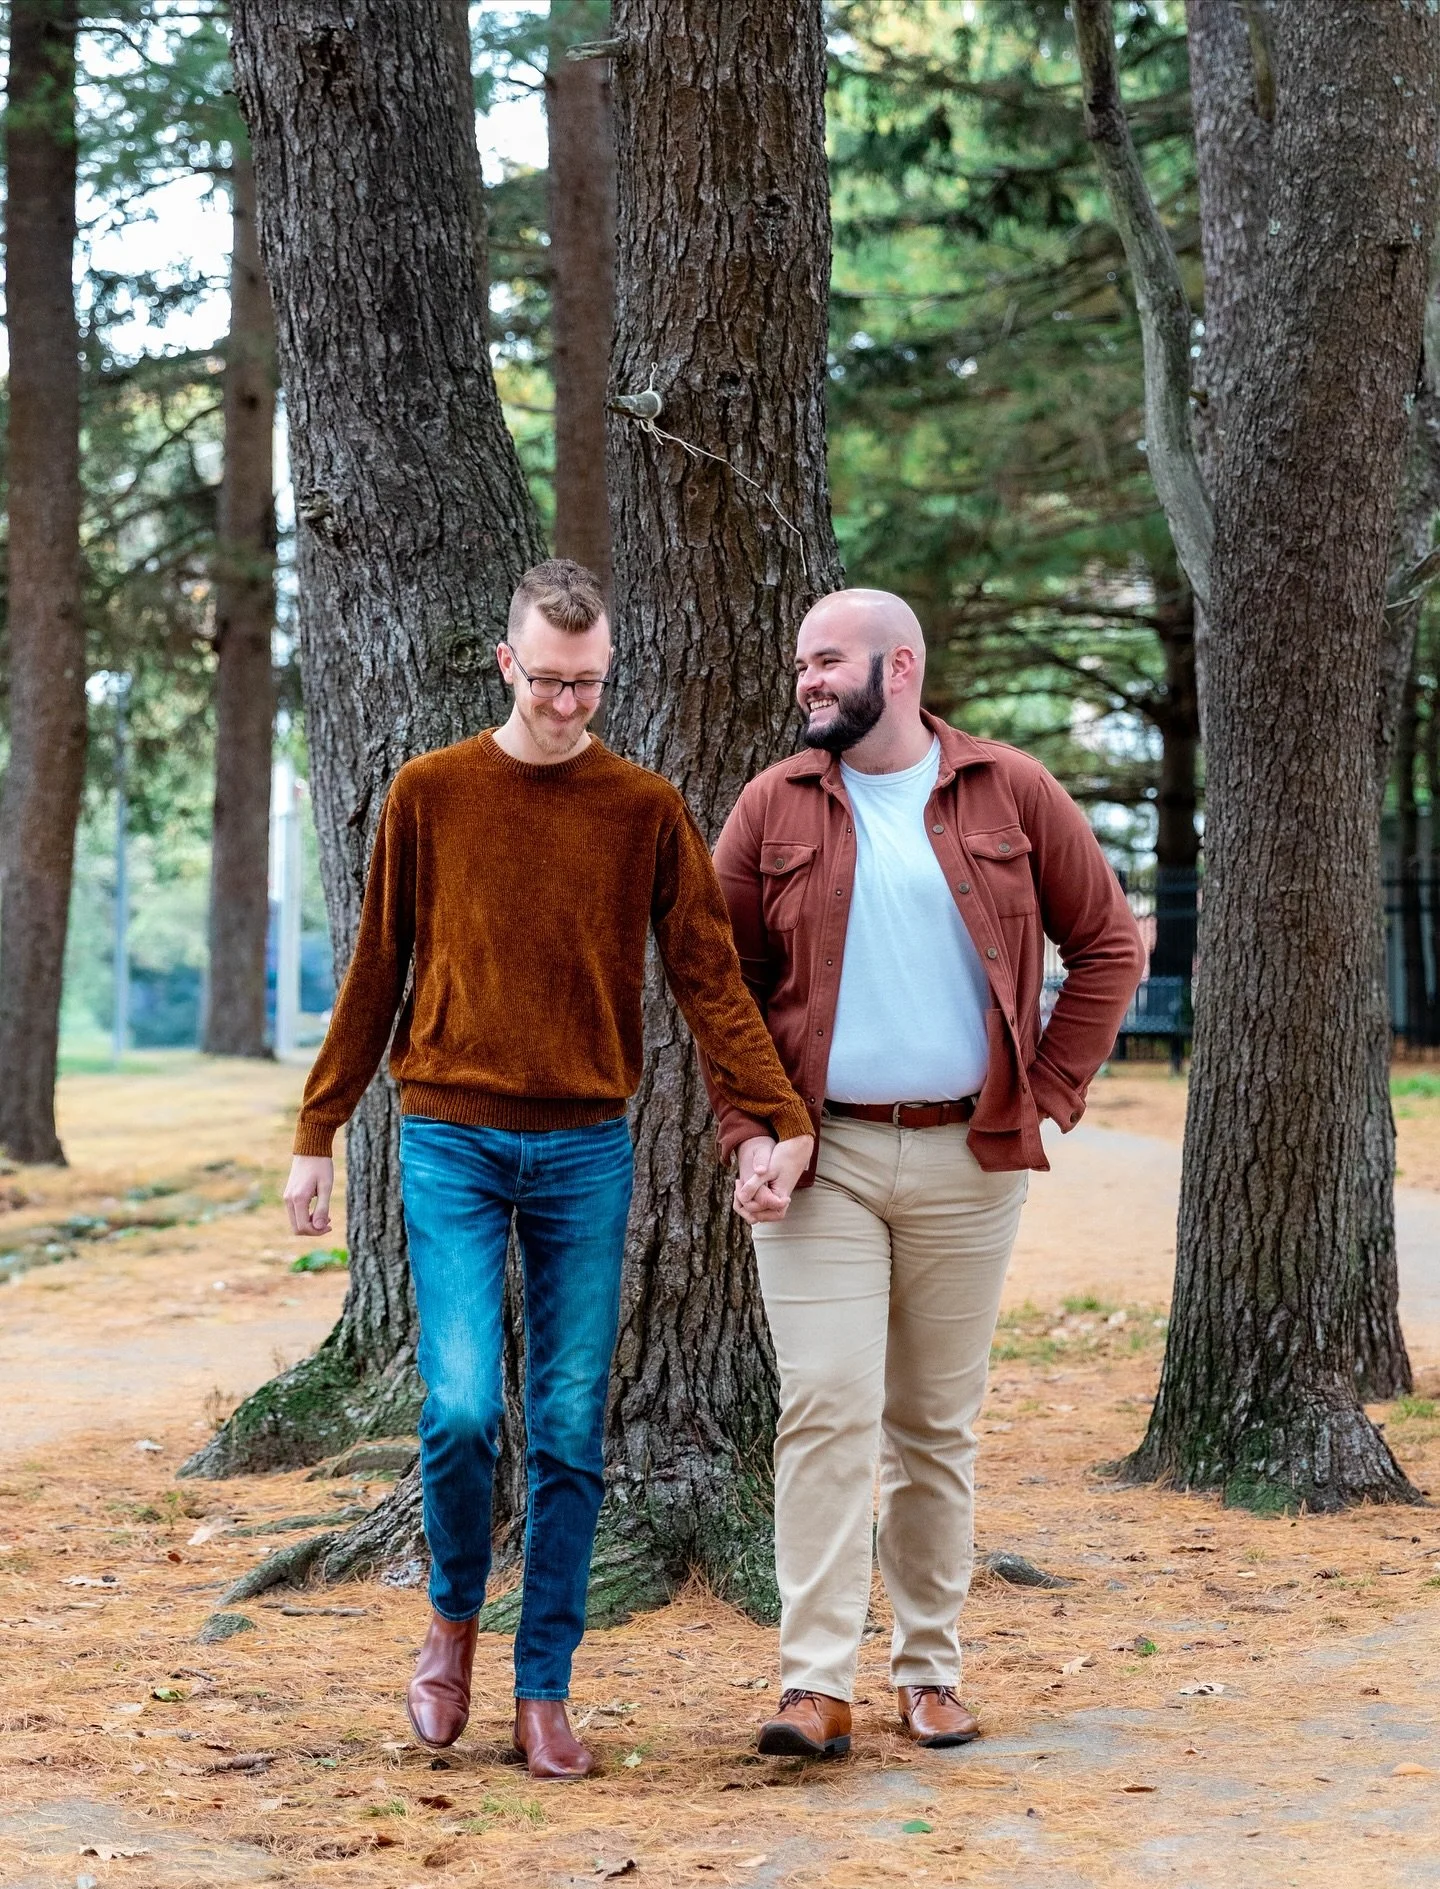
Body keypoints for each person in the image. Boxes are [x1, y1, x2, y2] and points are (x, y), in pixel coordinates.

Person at [284, 559, 814, 1781]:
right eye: (552, 679)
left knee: (573, 1427)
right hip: (450, 1137)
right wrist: (320, 1129)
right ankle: (451, 1623)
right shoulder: (430, 792)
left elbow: (709, 978)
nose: (572, 703)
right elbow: (375, 970)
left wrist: (777, 1113)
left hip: (585, 1145)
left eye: (591, 682)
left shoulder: (642, 807)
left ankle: (544, 1684)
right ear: (509, 662)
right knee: (464, 1407)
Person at [706, 587, 1146, 1759]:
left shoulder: (1011, 790)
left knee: (935, 1422)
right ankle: (813, 1682)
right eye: (801, 659)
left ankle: (931, 1669)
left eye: (826, 659)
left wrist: (1047, 1089)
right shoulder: (771, 804)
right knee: (828, 1405)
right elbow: (719, 985)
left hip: (969, 1154)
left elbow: (1109, 942)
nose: (805, 678)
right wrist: (753, 1129)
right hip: (823, 1157)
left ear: (898, 667)